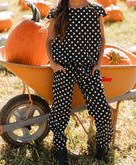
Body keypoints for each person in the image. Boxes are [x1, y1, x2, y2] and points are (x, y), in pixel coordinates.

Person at [46, 0, 113, 164]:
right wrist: (53, 64)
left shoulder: (95, 10)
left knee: (103, 112)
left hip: (89, 68)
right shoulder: (58, 12)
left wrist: (98, 64)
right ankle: (61, 151)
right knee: (60, 112)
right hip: (64, 69)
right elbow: (48, 40)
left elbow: (102, 39)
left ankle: (101, 150)